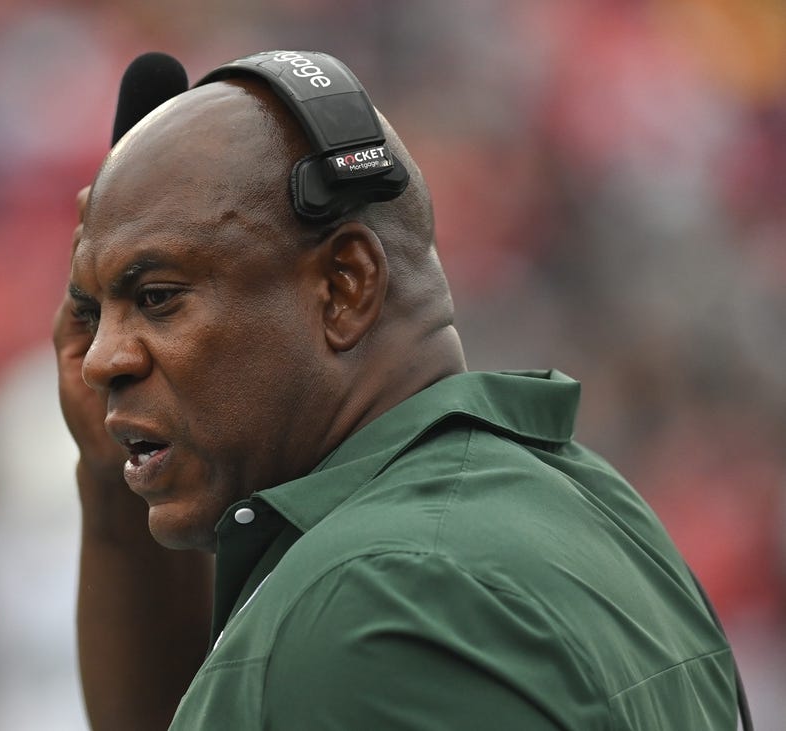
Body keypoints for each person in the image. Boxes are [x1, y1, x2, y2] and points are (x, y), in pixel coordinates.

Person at [52, 54, 742, 730]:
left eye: (157, 296)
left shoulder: (376, 597)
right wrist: (113, 483)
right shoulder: (591, 504)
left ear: (344, 287)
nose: (102, 358)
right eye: (95, 308)